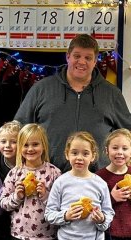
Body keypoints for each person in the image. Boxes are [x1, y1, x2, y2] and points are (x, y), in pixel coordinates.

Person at [14, 33, 131, 173]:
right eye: (77, 56)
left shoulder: (112, 93)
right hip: (47, 179)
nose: (82, 62)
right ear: (67, 56)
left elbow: (127, 134)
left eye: (88, 58)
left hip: (98, 179)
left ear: (95, 62)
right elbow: (20, 130)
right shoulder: (42, 89)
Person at [44, 131, 114, 240]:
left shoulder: (101, 184)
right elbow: (49, 214)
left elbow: (109, 213)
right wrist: (66, 216)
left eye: (85, 153)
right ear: (67, 154)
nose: (79, 158)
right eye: (74, 153)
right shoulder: (60, 182)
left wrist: (102, 219)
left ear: (93, 156)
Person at [0, 123, 61, 240]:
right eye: (25, 145)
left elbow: (61, 206)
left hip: (47, 235)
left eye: (35, 144)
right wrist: (16, 196)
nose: (30, 149)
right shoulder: (14, 173)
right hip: (18, 235)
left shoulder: (54, 173)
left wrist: (45, 196)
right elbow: (3, 203)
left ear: (44, 146)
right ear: (20, 147)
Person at [96, 128, 131, 240]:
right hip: (110, 233)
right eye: (115, 148)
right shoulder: (99, 177)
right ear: (107, 150)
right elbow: (94, 206)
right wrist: (112, 198)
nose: (120, 152)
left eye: (125, 148)